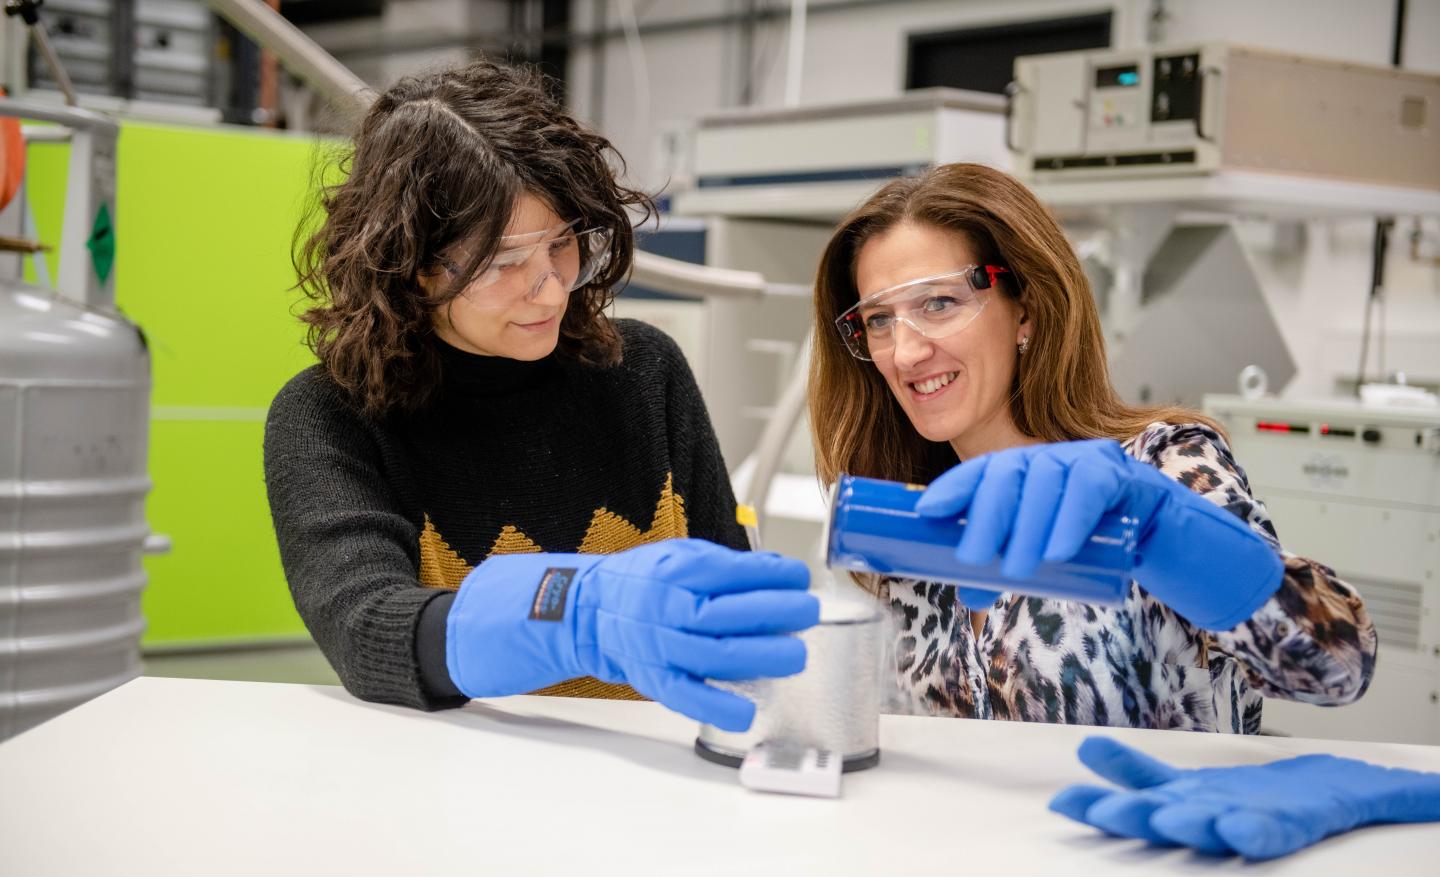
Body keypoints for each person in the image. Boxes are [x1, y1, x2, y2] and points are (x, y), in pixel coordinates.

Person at [265, 58, 817, 733]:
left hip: (653, 775)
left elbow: (723, 594)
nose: (553, 289)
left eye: (562, 245)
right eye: (503, 264)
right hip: (455, 786)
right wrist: (570, 614)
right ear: (409, 266)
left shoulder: (643, 370)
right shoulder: (329, 417)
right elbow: (365, 628)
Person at [808, 163, 1376, 733]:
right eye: (879, 319)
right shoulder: (910, 518)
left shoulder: (1159, 466)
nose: (904, 354)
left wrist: (1159, 527)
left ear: (1025, 310)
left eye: (938, 303)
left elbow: (1336, 667)